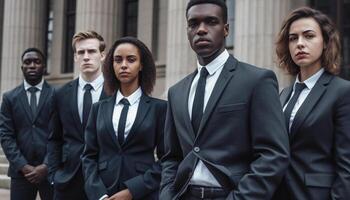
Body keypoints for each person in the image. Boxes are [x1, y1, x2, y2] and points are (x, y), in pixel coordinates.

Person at [160, 0, 290, 199]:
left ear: (226, 29)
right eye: (193, 24)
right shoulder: (176, 92)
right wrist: (167, 195)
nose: (201, 29)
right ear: (187, 31)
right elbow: (172, 157)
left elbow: (273, 155)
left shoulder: (256, 81)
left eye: (211, 22)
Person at [273, 7, 350, 200]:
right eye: (293, 38)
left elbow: (347, 166)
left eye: (308, 36)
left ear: (325, 42)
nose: (300, 44)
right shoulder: (283, 95)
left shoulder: (342, 92)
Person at [81, 36, 166, 200]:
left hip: (143, 193)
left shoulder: (159, 108)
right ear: (112, 65)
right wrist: (99, 194)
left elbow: (167, 159)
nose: (124, 65)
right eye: (118, 60)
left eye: (131, 60)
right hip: (104, 193)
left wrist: (132, 191)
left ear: (141, 65)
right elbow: (88, 157)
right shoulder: (98, 109)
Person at [47, 30, 108, 200]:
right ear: (75, 57)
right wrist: (54, 175)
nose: (86, 57)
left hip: (104, 181)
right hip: (67, 181)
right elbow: (54, 138)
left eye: (92, 51)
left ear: (102, 55)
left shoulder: (116, 92)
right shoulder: (60, 94)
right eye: (81, 52)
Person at [0, 48, 54, 200]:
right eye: (27, 62)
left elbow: (62, 134)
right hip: (20, 173)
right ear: (21, 67)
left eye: (37, 62)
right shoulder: (9, 98)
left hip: (50, 172)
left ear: (44, 66)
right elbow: (6, 136)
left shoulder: (57, 95)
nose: (32, 65)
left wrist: (46, 166)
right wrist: (23, 166)